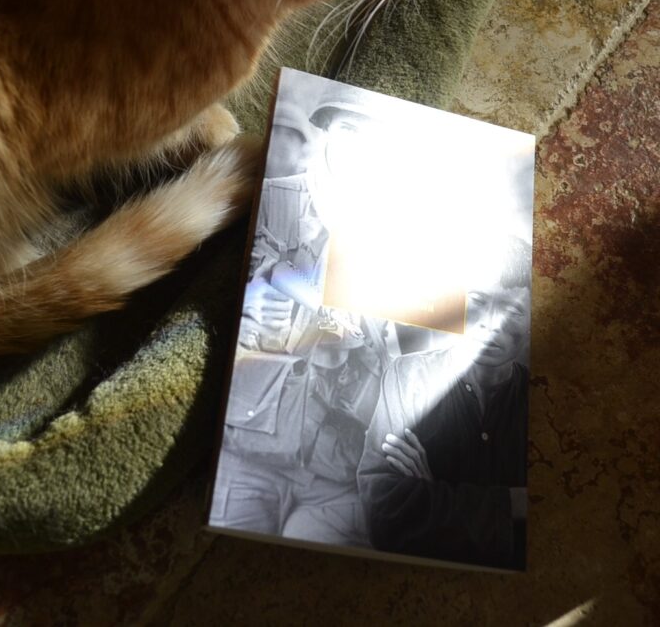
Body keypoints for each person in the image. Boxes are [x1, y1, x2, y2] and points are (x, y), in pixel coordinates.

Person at [210, 84, 391, 546]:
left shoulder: (390, 233)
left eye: (373, 138)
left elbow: (392, 335)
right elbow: (242, 276)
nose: (359, 147)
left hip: (334, 470)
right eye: (349, 129)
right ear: (327, 132)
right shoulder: (277, 200)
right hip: (251, 447)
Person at [355, 236, 532, 569]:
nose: (492, 324)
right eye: (479, 301)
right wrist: (515, 503)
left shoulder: (541, 398)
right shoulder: (407, 378)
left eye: (512, 311)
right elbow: (384, 517)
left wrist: (432, 492)